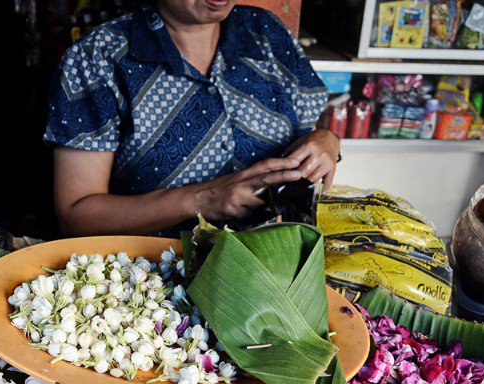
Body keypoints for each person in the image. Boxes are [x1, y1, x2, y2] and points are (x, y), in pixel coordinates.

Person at [44, 0, 340, 236]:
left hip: (275, 258)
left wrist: (325, 140)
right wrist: (203, 200)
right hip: (151, 281)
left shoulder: (265, 33)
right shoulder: (98, 58)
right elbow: (76, 214)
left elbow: (307, 133)